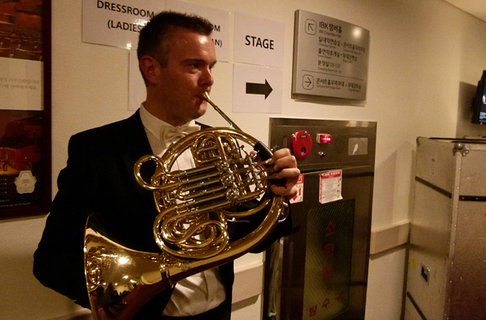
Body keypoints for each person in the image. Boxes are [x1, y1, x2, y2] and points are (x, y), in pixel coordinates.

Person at [33, 11, 300, 320]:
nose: (209, 79)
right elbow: (49, 263)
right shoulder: (96, 150)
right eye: (194, 65)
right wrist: (117, 295)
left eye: (210, 66)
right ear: (152, 69)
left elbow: (250, 240)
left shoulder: (220, 145)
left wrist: (276, 194)